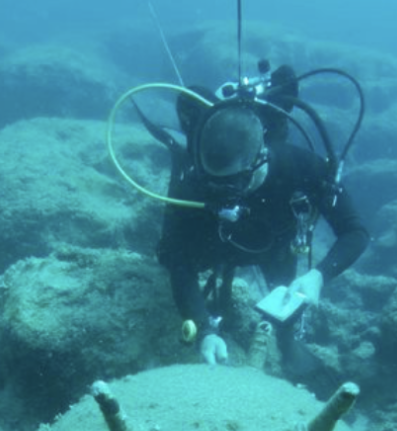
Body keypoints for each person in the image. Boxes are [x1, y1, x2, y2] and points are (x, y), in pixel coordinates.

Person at [155, 90, 370, 386]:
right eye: (214, 182)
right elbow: (179, 262)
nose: (224, 193)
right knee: (167, 255)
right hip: (212, 245)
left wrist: (320, 275)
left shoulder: (301, 167)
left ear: (261, 157)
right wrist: (205, 330)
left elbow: (355, 231)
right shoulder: (194, 183)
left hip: (274, 248)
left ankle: (287, 341)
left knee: (285, 296)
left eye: (233, 182)